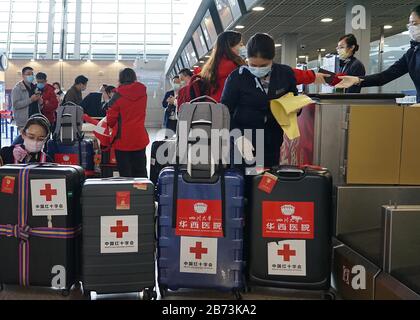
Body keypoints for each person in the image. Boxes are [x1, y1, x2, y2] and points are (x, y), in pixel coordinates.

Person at [221, 33, 298, 168]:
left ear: (272, 59)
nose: (257, 69)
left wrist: (296, 109)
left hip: (271, 141)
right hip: (244, 141)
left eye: (263, 65)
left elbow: (294, 99)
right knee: (244, 184)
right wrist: (237, 136)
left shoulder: (285, 74)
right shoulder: (237, 77)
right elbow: (224, 111)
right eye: (252, 64)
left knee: (265, 184)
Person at [200, 31, 330, 103]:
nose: (242, 47)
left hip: (218, 124)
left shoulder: (211, 68)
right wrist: (313, 76)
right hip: (242, 132)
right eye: (240, 44)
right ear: (229, 47)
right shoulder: (235, 71)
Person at [336, 5, 420, 102]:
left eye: (414, 23)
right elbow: (384, 76)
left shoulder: (355, 64)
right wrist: (357, 80)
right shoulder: (412, 53)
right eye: (409, 24)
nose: (411, 28)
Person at [106, 68, 149, 178]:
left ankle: (129, 194)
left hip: (123, 140)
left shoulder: (117, 95)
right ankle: (143, 193)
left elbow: (111, 120)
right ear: (134, 77)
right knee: (140, 170)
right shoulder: (142, 92)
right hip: (139, 137)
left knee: (125, 173)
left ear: (120, 79)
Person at [11, 66, 42, 133]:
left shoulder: (35, 87)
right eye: (28, 74)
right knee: (25, 141)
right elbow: (16, 105)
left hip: (36, 119)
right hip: (24, 122)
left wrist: (40, 102)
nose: (31, 76)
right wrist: (30, 100)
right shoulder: (17, 89)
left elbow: (38, 105)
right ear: (23, 76)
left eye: (32, 74)